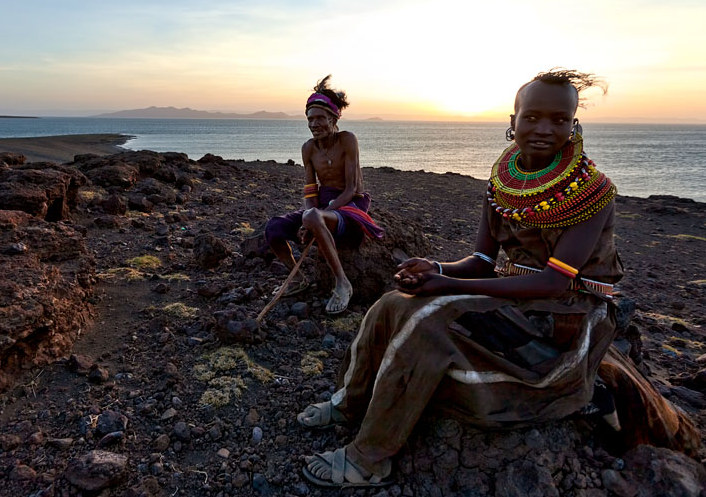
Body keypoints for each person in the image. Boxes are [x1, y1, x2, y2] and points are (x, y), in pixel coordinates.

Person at [297, 69, 698, 488]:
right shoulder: (501, 182)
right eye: (532, 118)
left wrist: (448, 287)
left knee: (429, 322)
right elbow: (482, 261)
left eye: (559, 120)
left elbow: (552, 284)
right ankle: (349, 403)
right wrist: (435, 269)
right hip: (513, 297)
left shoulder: (593, 192)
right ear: (513, 120)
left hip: (565, 315)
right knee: (391, 303)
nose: (544, 129)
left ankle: (369, 458)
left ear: (573, 125)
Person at [264, 75, 383, 314]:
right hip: (321, 205)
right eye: (309, 119)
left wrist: (317, 216)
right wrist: (311, 213)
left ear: (333, 118)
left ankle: (342, 283)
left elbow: (351, 189)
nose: (313, 124)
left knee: (312, 218)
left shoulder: (347, 140)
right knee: (273, 228)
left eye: (319, 118)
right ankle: (297, 278)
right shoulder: (308, 148)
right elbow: (310, 189)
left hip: (350, 204)